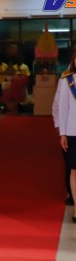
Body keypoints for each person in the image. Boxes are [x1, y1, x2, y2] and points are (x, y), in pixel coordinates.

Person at [57, 50, 76, 221]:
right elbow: (62, 108)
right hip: (72, 130)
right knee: (74, 169)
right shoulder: (67, 81)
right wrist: (62, 132)